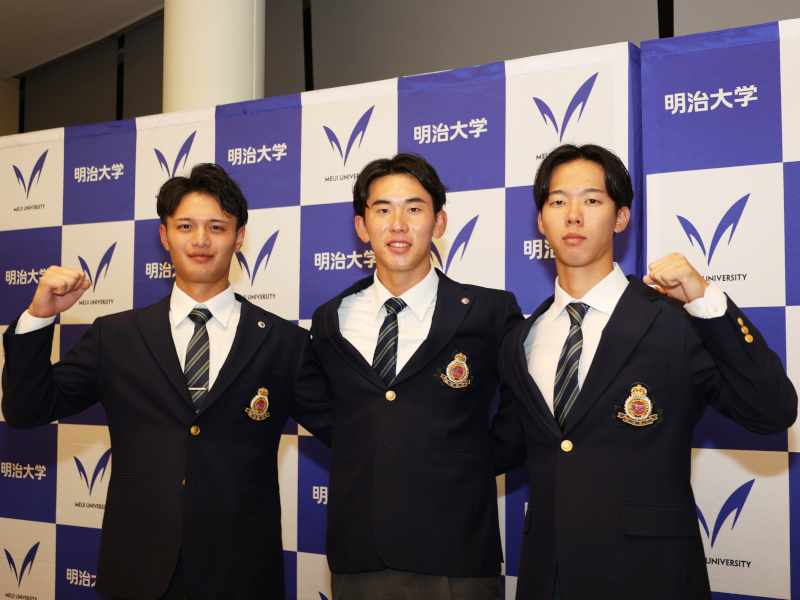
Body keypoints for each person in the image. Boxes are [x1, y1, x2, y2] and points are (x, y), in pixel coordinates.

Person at [2, 163, 330, 600]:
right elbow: (26, 409)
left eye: (217, 227)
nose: (201, 240)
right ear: (164, 235)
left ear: (239, 237)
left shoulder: (285, 342)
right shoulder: (115, 335)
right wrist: (39, 317)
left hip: (243, 570)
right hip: (140, 566)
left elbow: (348, 431)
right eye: (185, 226)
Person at [495, 144, 797, 600]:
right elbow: (506, 447)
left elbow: (771, 411)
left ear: (621, 217)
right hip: (546, 575)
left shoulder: (677, 321)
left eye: (592, 200)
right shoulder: (522, 338)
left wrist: (705, 299)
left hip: (650, 575)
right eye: (558, 201)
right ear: (541, 221)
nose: (573, 215)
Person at [304, 153, 523, 599]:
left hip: (456, 550)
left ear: (439, 222)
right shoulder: (330, 318)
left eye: (414, 208)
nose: (398, 225)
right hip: (359, 552)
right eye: (383, 209)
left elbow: (525, 407)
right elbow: (324, 409)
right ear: (362, 226)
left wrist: (470, 462)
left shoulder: (490, 311)